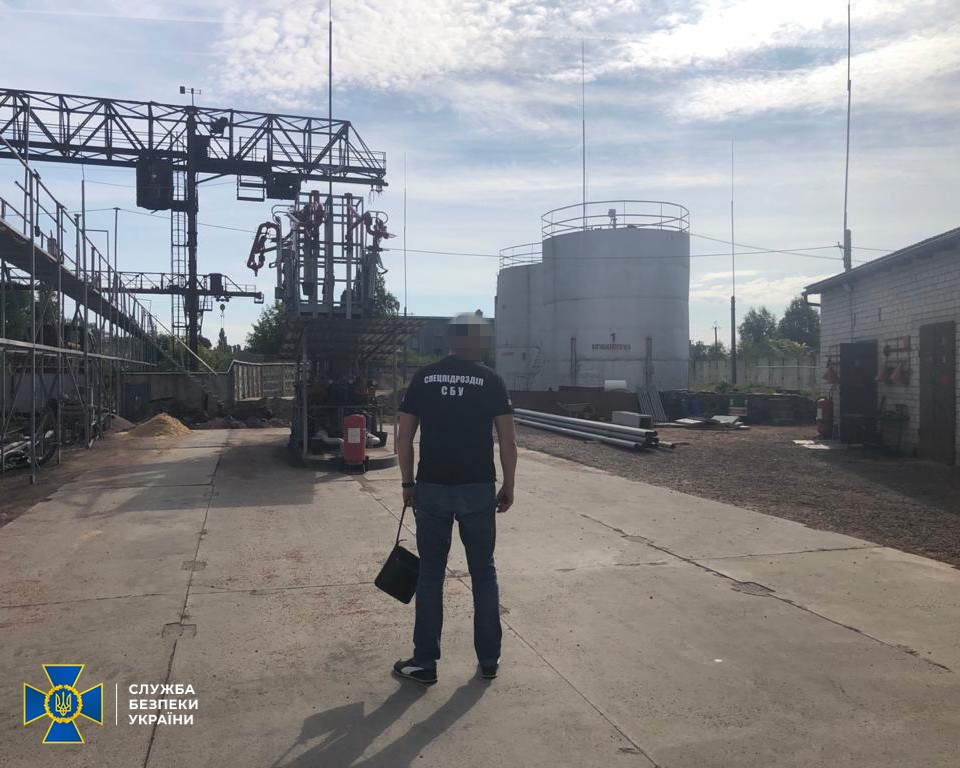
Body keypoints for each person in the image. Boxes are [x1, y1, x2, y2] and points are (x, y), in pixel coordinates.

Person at [394, 312, 517, 685]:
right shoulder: (491, 380)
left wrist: (407, 483)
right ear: (475, 340)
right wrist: (509, 485)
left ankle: (425, 663)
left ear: (448, 340)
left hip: (431, 487)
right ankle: (489, 659)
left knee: (430, 574)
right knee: (484, 572)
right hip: (478, 487)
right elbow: (508, 440)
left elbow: (403, 436)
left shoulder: (424, 377)